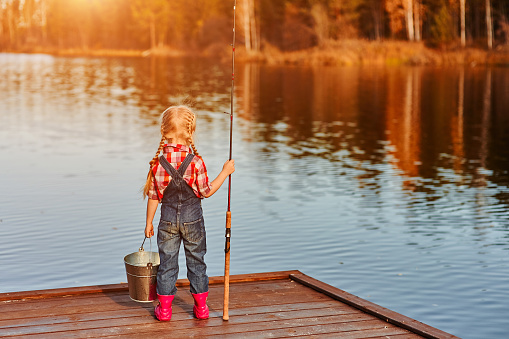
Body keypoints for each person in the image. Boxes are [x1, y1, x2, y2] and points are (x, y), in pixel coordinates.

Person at [142, 105, 235, 321]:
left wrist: (148, 223)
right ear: (191, 132)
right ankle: (201, 308)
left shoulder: (158, 164)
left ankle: (165, 310)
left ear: (163, 132)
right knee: (196, 261)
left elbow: (154, 196)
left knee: (167, 263)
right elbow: (206, 192)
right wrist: (225, 171)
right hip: (193, 220)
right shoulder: (196, 162)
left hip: (166, 221)